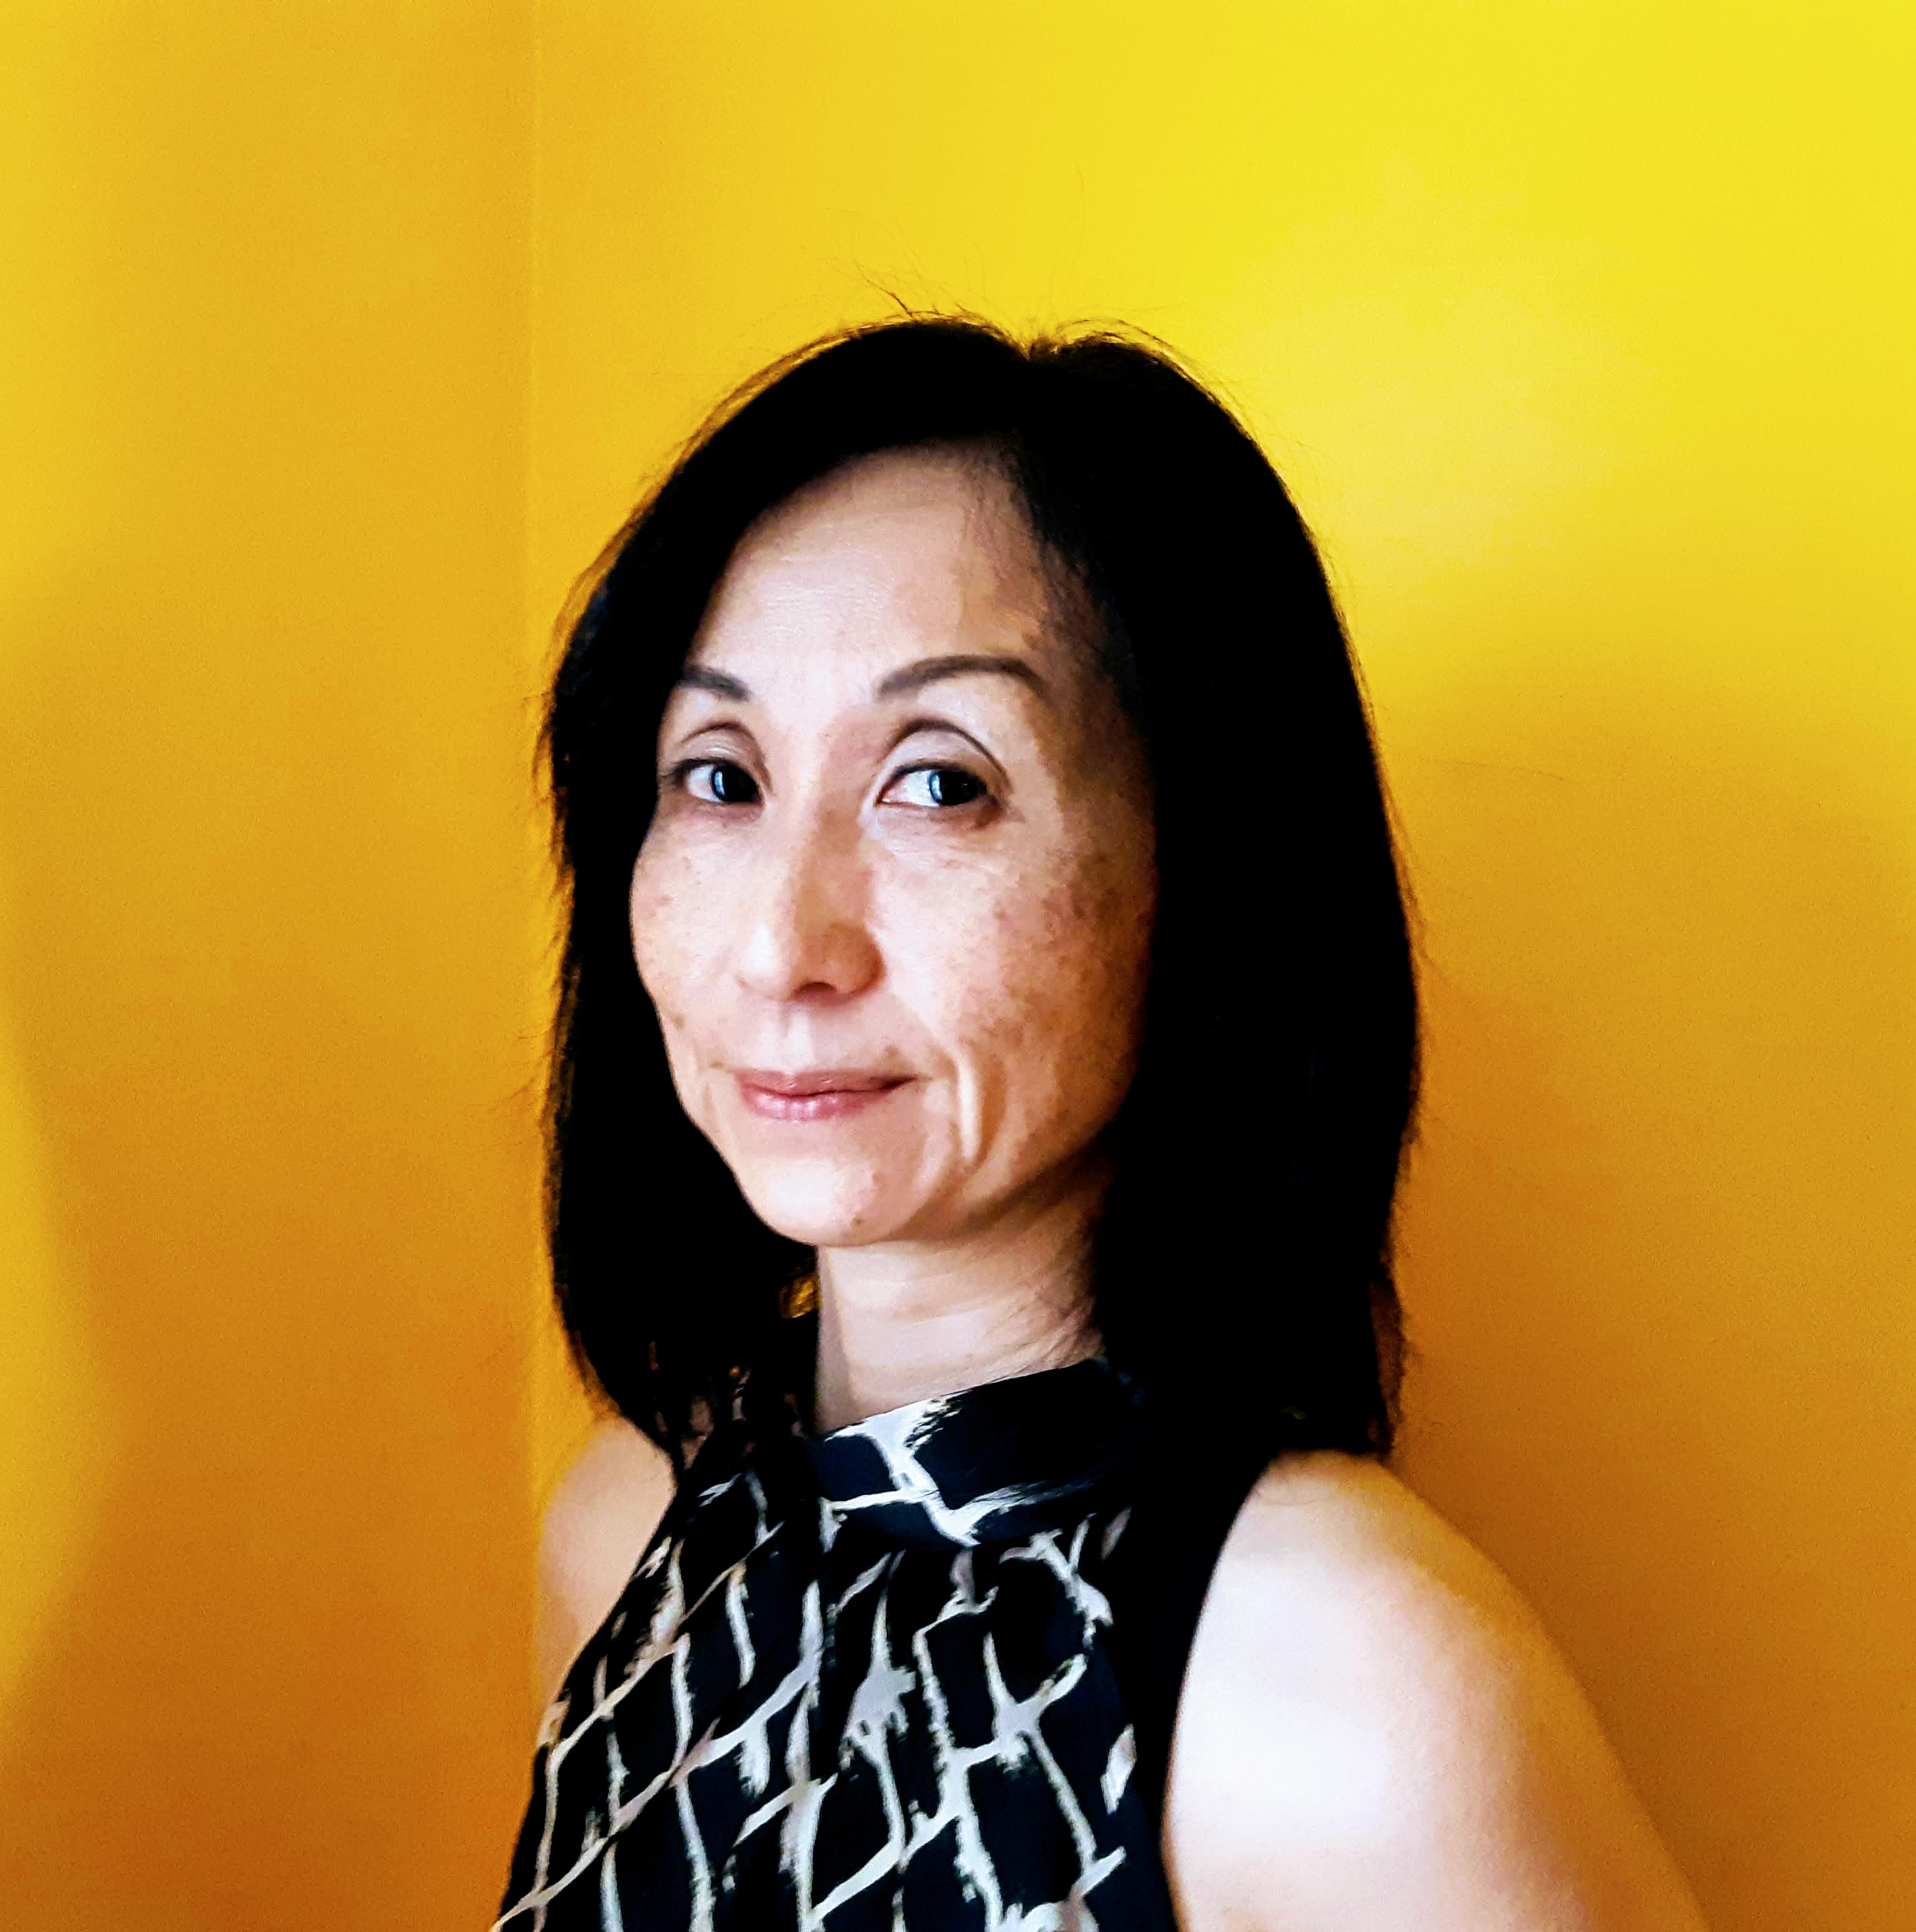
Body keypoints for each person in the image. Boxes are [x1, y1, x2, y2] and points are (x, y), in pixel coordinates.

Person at [499, 318, 1705, 1931]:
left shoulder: (1345, 1686)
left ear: (1201, 882)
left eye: (938, 784)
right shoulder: (624, 1528)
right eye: (719, 777)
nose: (781, 946)